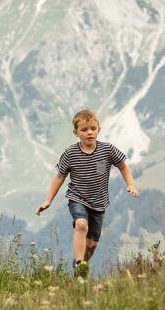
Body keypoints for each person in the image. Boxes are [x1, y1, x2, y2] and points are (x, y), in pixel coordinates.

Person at [35, 109, 138, 278]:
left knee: (91, 245)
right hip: (78, 198)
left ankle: (80, 270)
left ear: (99, 129)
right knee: (81, 225)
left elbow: (123, 166)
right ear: (76, 132)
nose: (89, 132)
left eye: (92, 128)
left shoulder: (107, 149)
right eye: (84, 130)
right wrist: (48, 201)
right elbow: (59, 177)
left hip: (99, 203)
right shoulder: (70, 153)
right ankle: (79, 263)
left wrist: (130, 184)